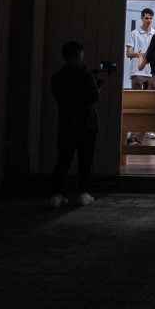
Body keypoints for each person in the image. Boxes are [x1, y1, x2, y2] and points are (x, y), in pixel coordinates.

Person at [49, 41, 101, 208]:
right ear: (79, 54)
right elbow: (94, 97)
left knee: (63, 159)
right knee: (85, 159)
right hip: (87, 123)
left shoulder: (57, 78)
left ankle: (57, 194)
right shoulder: (86, 75)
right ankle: (82, 193)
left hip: (66, 123)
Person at [126, 8, 155, 90]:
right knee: (136, 99)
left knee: (150, 99)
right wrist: (138, 54)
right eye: (146, 18)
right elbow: (128, 54)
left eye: (151, 18)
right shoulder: (134, 33)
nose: (149, 20)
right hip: (137, 72)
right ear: (142, 18)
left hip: (152, 72)